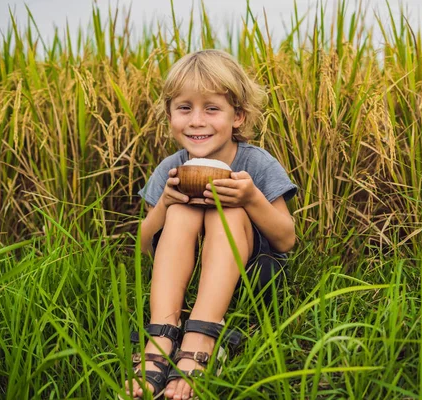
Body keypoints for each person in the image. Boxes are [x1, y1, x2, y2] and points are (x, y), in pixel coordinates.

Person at [123, 49, 297, 400]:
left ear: (238, 116)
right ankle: (162, 332)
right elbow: (141, 244)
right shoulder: (172, 167)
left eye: (212, 108)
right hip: (188, 268)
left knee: (227, 210)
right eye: (184, 108)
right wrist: (167, 203)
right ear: (170, 115)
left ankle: (202, 335)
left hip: (251, 279)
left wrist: (250, 199)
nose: (196, 121)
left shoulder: (256, 163)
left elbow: (286, 240)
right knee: (182, 211)